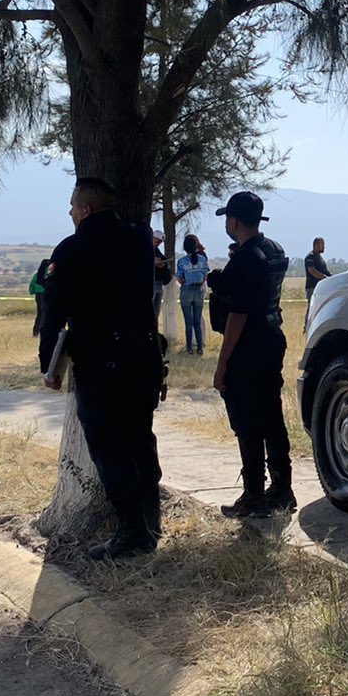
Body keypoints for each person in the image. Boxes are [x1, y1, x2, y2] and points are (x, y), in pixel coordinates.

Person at [37, 177, 166, 561]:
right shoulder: (140, 239)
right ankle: (151, 519)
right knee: (140, 438)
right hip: (143, 356)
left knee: (110, 448)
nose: (70, 212)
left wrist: (49, 365)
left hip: (101, 362)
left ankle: (132, 533)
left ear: (86, 209)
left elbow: (53, 314)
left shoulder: (71, 249)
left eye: (73, 206)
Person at [212, 190, 294, 518]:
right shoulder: (273, 249)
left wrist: (222, 363)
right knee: (271, 416)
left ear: (233, 221)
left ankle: (254, 496)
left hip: (248, 345)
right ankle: (282, 489)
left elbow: (238, 315)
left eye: (228, 219)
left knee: (247, 422)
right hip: (272, 338)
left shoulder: (246, 258)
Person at [176, 234, 210, 356]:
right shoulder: (202, 259)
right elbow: (205, 275)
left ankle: (189, 348)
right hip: (199, 291)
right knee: (197, 322)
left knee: (188, 323)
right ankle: (200, 348)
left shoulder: (181, 261)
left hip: (187, 291)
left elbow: (179, 278)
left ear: (185, 248)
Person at [301, 237, 331, 334]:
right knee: (312, 308)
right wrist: (324, 277)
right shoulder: (310, 257)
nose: (324, 247)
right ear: (316, 245)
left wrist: (332, 278)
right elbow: (312, 270)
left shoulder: (320, 258)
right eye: (322, 245)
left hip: (320, 288)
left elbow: (325, 271)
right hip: (312, 288)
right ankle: (307, 328)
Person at [150, 227, 171, 330]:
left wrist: (163, 265)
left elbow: (167, 267)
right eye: (157, 240)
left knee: (156, 313)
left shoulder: (159, 253)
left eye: (160, 242)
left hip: (159, 284)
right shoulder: (144, 250)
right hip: (150, 284)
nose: (158, 243)